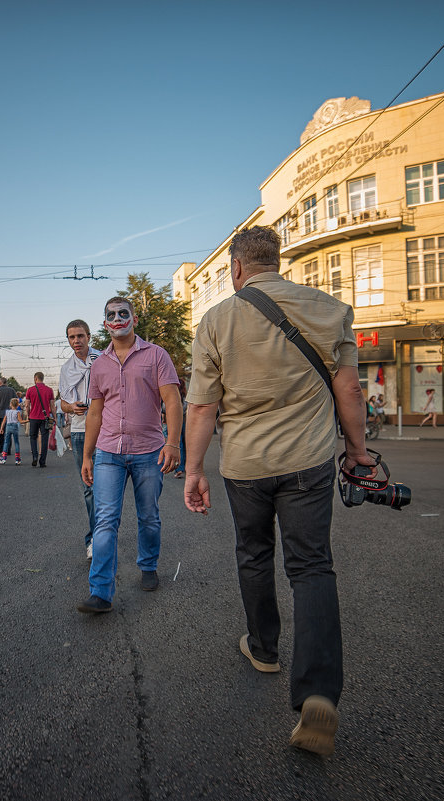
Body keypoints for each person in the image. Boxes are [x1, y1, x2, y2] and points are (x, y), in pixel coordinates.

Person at [182, 224, 375, 758]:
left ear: (236, 269)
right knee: (311, 565)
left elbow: (201, 406)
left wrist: (194, 468)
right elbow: (349, 387)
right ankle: (317, 692)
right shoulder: (328, 309)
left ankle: (264, 648)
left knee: (253, 552)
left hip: (245, 464)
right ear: (278, 260)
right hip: (309, 460)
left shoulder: (217, 319)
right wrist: (357, 450)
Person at [77, 297, 181, 614]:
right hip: (109, 452)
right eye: (112, 315)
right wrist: (87, 456)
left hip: (149, 451)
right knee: (105, 521)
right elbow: (94, 412)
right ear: (105, 323)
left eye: (124, 313)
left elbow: (173, 402)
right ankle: (101, 593)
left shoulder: (156, 355)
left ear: (134, 319)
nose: (118, 318)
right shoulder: (100, 365)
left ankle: (148, 565)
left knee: (148, 515)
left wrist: (173, 443)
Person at [59, 318, 101, 560]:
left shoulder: (103, 358)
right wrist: (71, 406)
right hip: (79, 431)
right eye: (72, 337)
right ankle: (94, 539)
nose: (76, 341)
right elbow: (63, 402)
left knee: (105, 486)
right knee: (89, 488)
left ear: (89, 337)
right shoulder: (67, 368)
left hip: (105, 430)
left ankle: (104, 534)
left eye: (80, 336)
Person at [24, 372, 56, 467]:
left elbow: (27, 405)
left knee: (33, 437)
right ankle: (43, 461)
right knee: (44, 438)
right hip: (45, 418)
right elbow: (52, 406)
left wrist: (29, 414)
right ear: (43, 378)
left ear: (35, 378)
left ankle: (34, 456)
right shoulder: (49, 390)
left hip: (33, 418)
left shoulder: (30, 390)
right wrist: (54, 417)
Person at [0, 377, 17, 457]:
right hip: (10, 414)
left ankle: (1, 447)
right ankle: (8, 449)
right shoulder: (12, 390)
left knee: (1, 431)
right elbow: (16, 400)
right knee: (8, 432)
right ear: (6, 383)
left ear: (0, 383)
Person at [2, 398, 22, 464]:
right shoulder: (17, 412)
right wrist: (28, 420)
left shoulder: (7, 412)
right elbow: (21, 421)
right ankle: (17, 458)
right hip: (14, 426)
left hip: (8, 426)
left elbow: (4, 420)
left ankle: (4, 457)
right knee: (16, 442)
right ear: (17, 405)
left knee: (6, 442)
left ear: (10, 404)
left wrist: (1, 428)